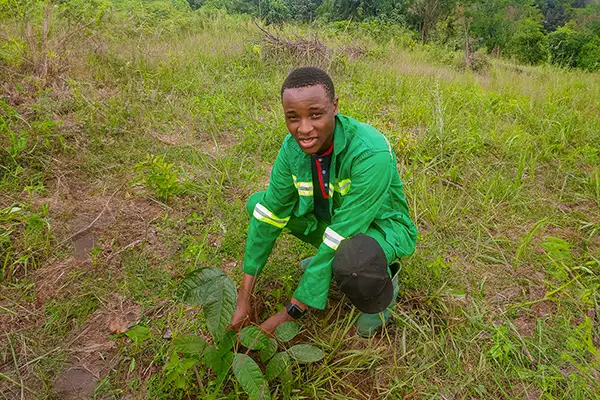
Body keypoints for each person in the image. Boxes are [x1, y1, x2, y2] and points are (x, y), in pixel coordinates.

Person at [228, 67, 417, 337]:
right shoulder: (291, 148)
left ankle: (381, 282)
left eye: (315, 114)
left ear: (335, 107)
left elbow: (343, 232)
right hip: (333, 221)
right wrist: (243, 299)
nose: (303, 129)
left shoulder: (370, 152)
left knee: (352, 259)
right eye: (293, 118)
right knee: (260, 206)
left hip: (379, 228)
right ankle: (328, 266)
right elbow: (271, 213)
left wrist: (289, 312)